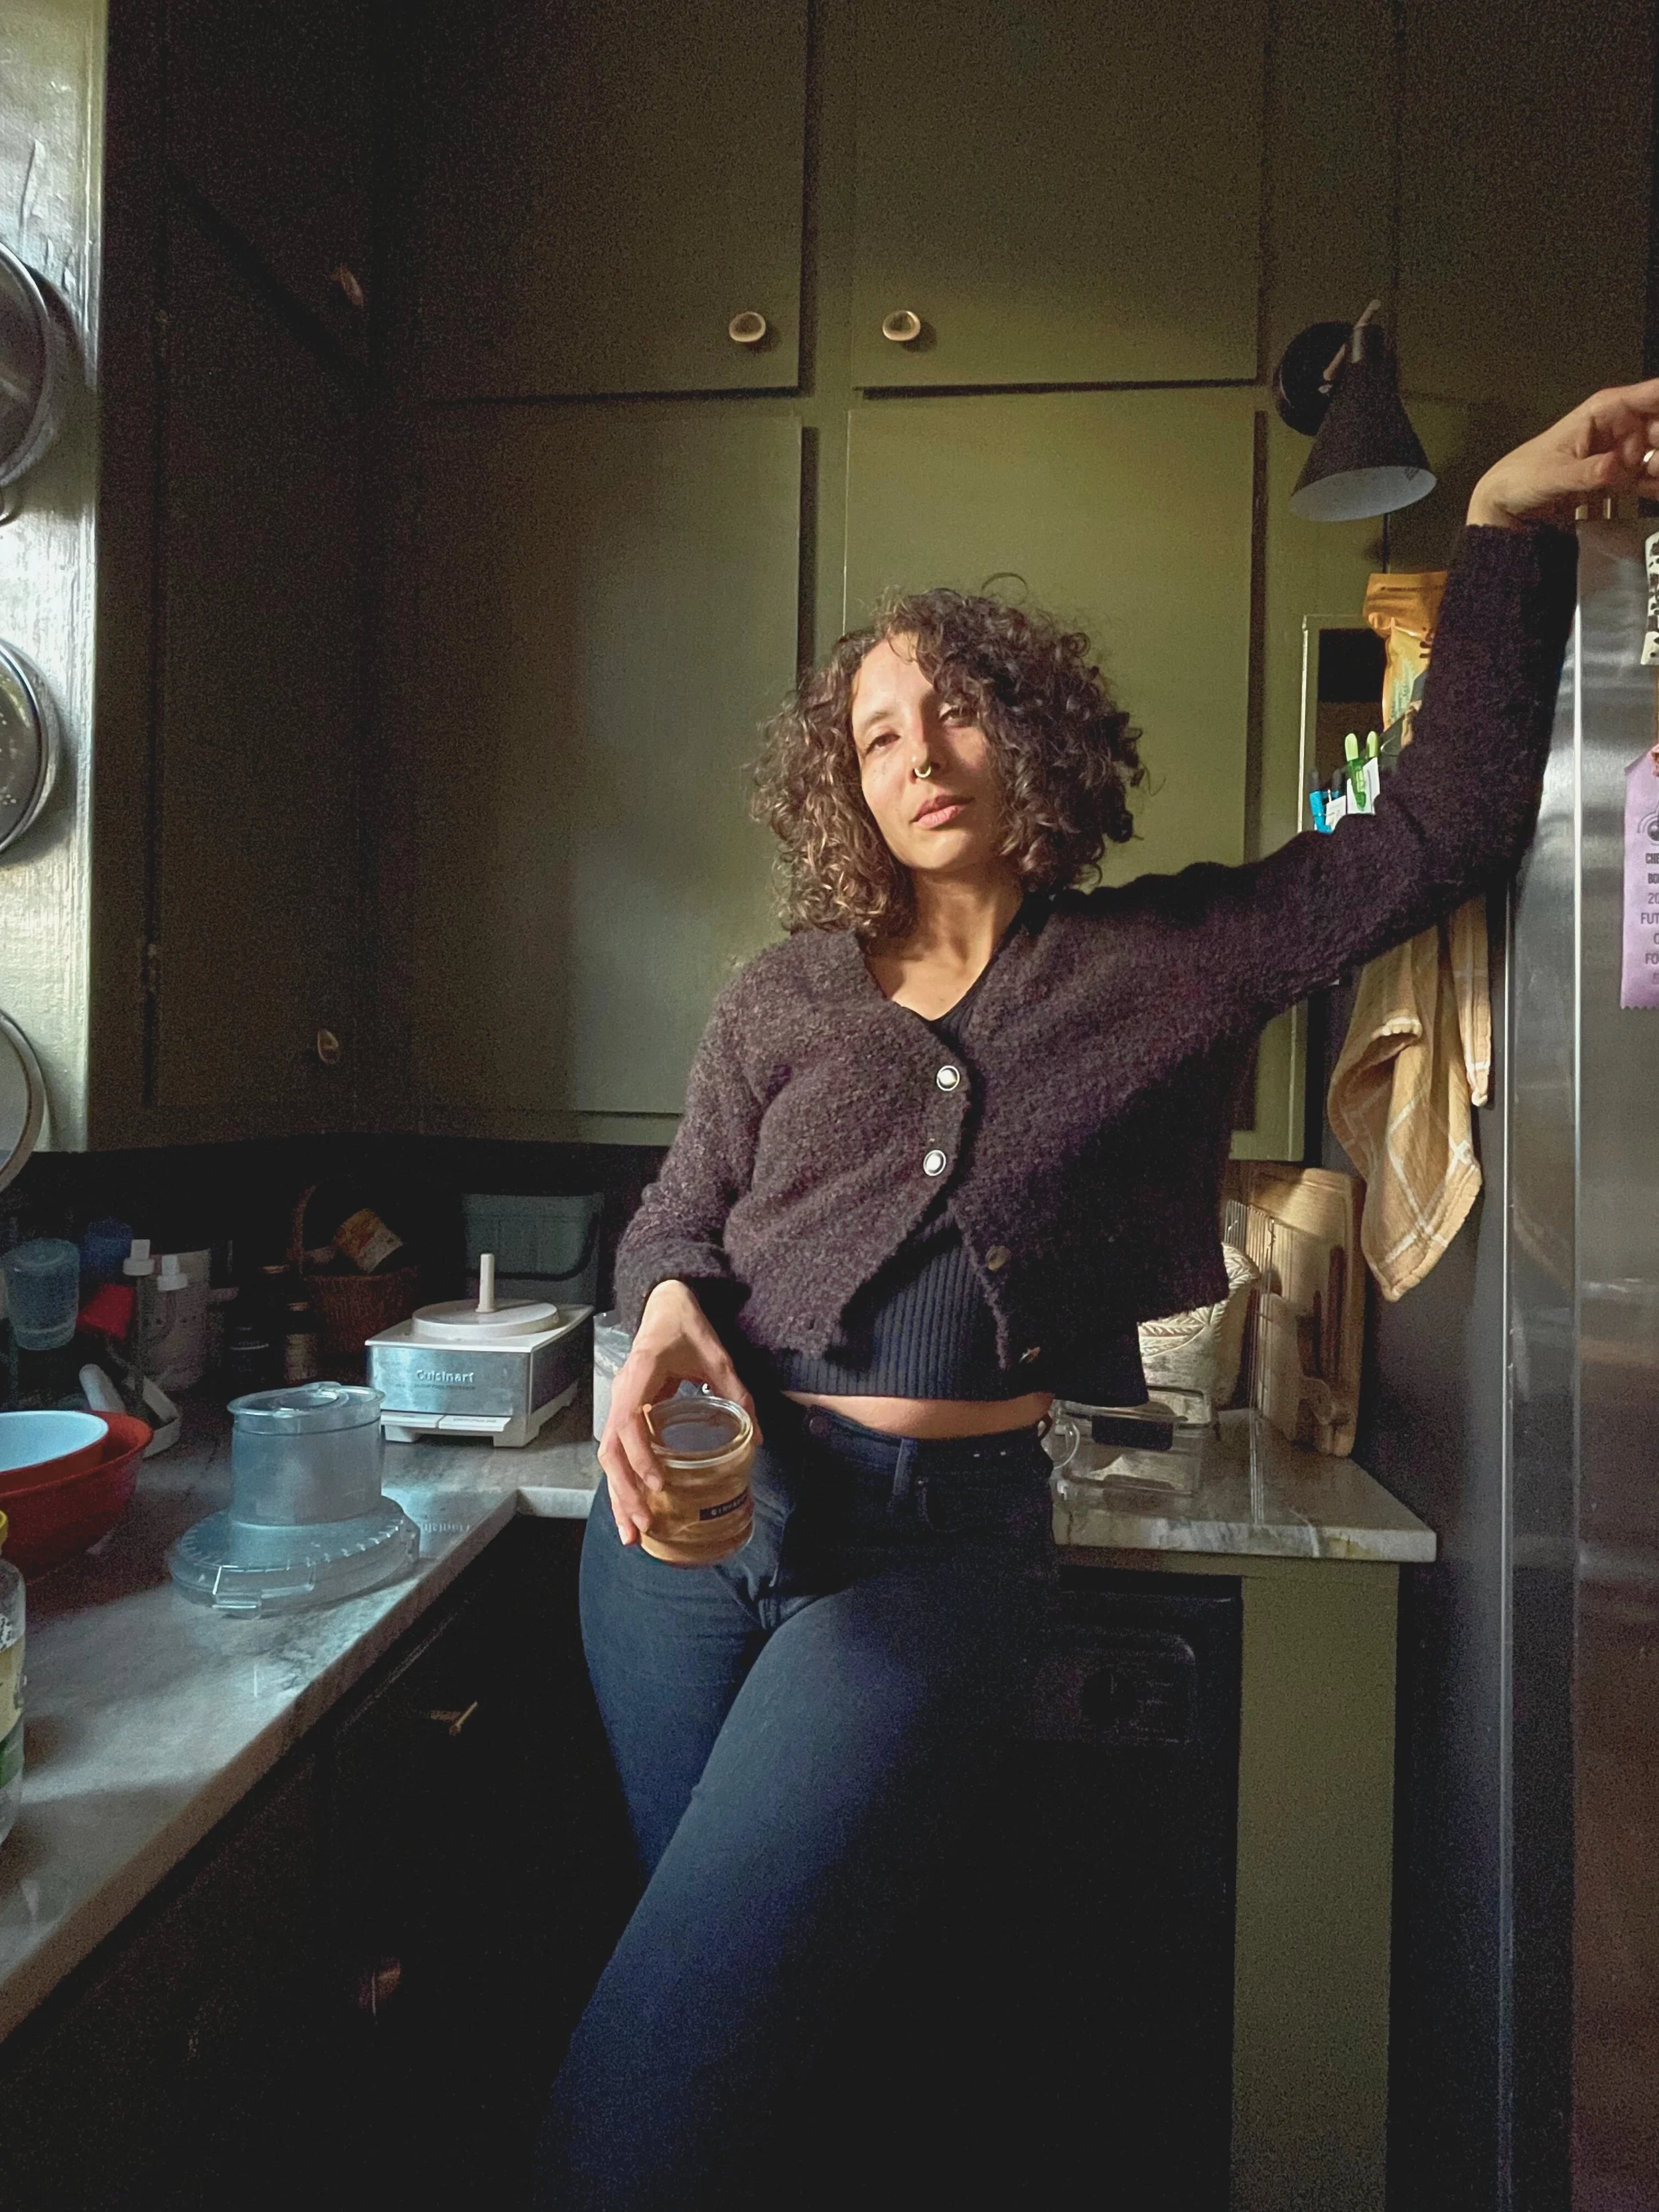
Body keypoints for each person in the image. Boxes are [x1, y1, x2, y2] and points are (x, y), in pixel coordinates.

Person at [534, 382, 1659, 2209]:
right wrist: (661, 1316)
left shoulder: (1163, 962)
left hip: (926, 1565)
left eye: (951, 707)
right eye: (875, 731)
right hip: (671, 1552)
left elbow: (1443, 827)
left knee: (649, 2077)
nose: (915, 750)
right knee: (767, 2039)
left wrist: (1509, 523)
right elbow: (677, 1223)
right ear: (843, 784)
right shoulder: (781, 998)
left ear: (1027, 732)